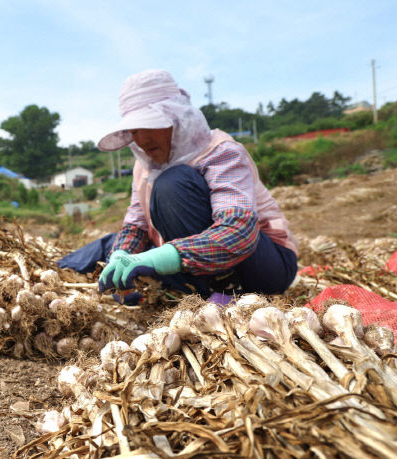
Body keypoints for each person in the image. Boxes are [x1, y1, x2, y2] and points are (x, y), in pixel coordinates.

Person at [96, 70, 298, 301]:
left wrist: (156, 259)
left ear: (176, 119)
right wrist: (121, 258)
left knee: (172, 183)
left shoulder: (221, 153)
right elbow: (136, 225)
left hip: (263, 264)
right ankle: (200, 289)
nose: (142, 140)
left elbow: (239, 230)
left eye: (149, 126)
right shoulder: (143, 167)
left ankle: (225, 289)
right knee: (108, 248)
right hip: (198, 265)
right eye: (134, 131)